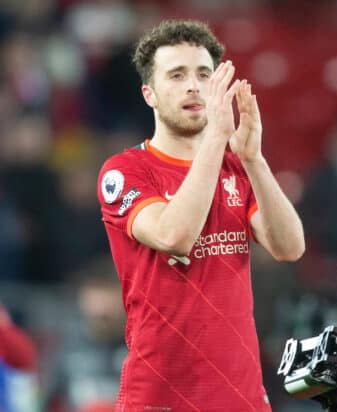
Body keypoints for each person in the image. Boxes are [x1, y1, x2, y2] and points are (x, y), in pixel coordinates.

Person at [97, 20, 304, 411]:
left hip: (240, 393)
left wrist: (254, 159)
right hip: (159, 396)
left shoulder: (236, 167)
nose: (194, 86)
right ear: (150, 94)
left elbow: (289, 247)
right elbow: (174, 235)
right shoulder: (124, 170)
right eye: (177, 75)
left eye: (204, 74)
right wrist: (215, 139)